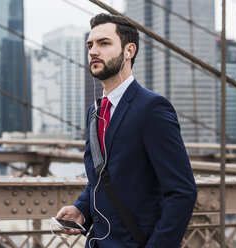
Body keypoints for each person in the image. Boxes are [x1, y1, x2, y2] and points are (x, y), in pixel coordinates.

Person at [56, 13, 197, 248]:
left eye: (104, 43)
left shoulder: (151, 108)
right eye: (90, 45)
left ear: (129, 51)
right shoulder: (95, 111)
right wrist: (81, 210)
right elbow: (99, 177)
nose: (93, 51)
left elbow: (183, 192)